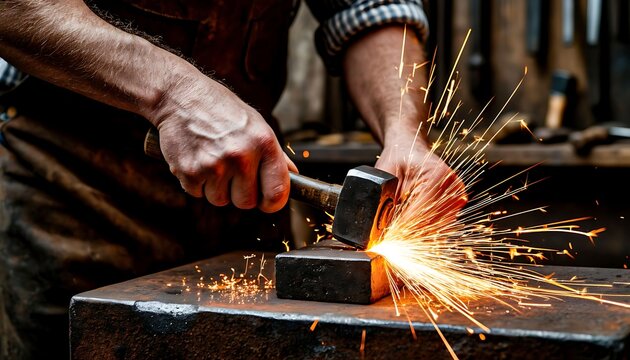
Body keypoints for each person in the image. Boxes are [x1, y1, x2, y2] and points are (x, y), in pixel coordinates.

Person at [0, 0, 464, 358]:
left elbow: (369, 10)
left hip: (250, 193)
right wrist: (173, 95)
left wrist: (405, 132)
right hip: (71, 190)